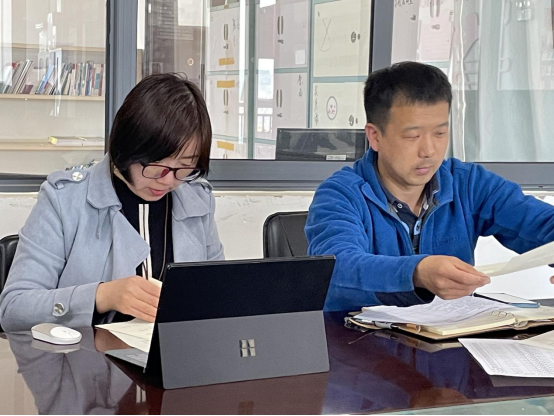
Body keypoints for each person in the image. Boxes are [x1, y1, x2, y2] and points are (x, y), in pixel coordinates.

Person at [306, 62, 554, 312]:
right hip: (357, 335)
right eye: (412, 136)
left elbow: (540, 223)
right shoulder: (340, 195)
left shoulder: (468, 183)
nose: (429, 151)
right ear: (375, 136)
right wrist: (416, 272)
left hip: (453, 333)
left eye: (440, 134)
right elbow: (337, 267)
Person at [0, 73, 224, 332]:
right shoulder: (64, 200)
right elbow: (14, 309)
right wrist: (101, 296)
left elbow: (217, 294)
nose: (168, 180)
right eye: (156, 165)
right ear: (127, 148)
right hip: (87, 356)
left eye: (184, 166)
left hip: (176, 354)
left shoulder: (197, 201)